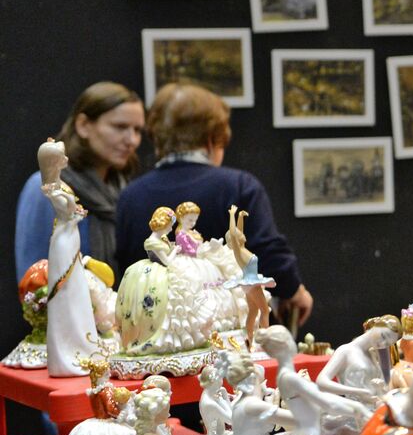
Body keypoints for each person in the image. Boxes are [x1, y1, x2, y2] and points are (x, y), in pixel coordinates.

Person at [114, 83, 313, 327]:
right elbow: (267, 254)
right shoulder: (240, 186)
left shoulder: (129, 196)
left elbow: (126, 270)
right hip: (228, 332)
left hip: (154, 335)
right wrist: (295, 291)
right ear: (211, 139)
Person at [14, 82, 144, 280]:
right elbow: (34, 281)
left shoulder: (126, 190)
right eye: (120, 127)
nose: (132, 140)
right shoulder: (47, 188)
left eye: (137, 130)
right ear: (84, 125)